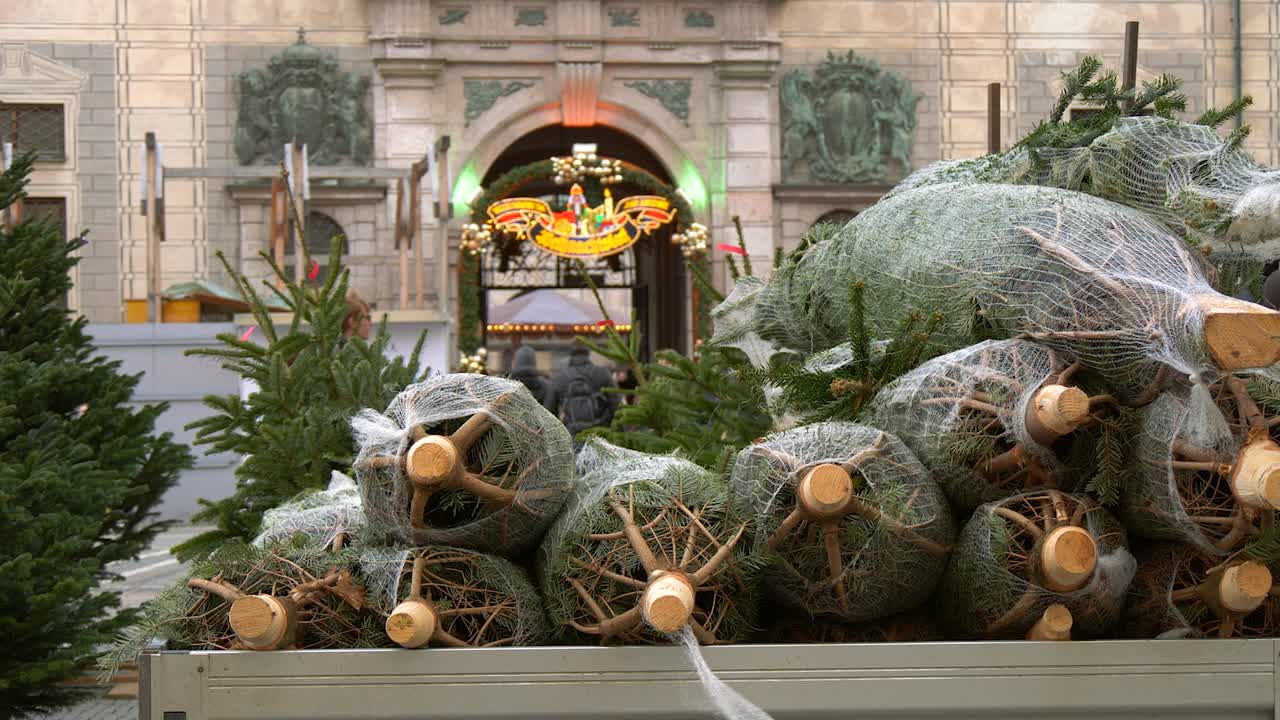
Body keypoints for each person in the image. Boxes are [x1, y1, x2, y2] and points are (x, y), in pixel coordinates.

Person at [546, 346, 618, 436]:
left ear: (571, 355)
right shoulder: (603, 373)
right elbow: (616, 407)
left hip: (571, 434)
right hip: (600, 434)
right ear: (588, 354)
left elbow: (549, 413)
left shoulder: (559, 378)